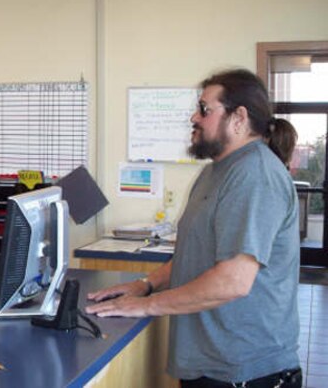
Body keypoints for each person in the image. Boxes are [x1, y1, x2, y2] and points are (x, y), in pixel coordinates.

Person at [87, 69, 302, 387]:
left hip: (245, 372)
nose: (194, 117)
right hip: (210, 364)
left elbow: (232, 282)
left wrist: (145, 307)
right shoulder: (215, 172)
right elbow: (194, 254)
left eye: (204, 109)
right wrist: (145, 285)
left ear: (238, 118)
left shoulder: (254, 175)